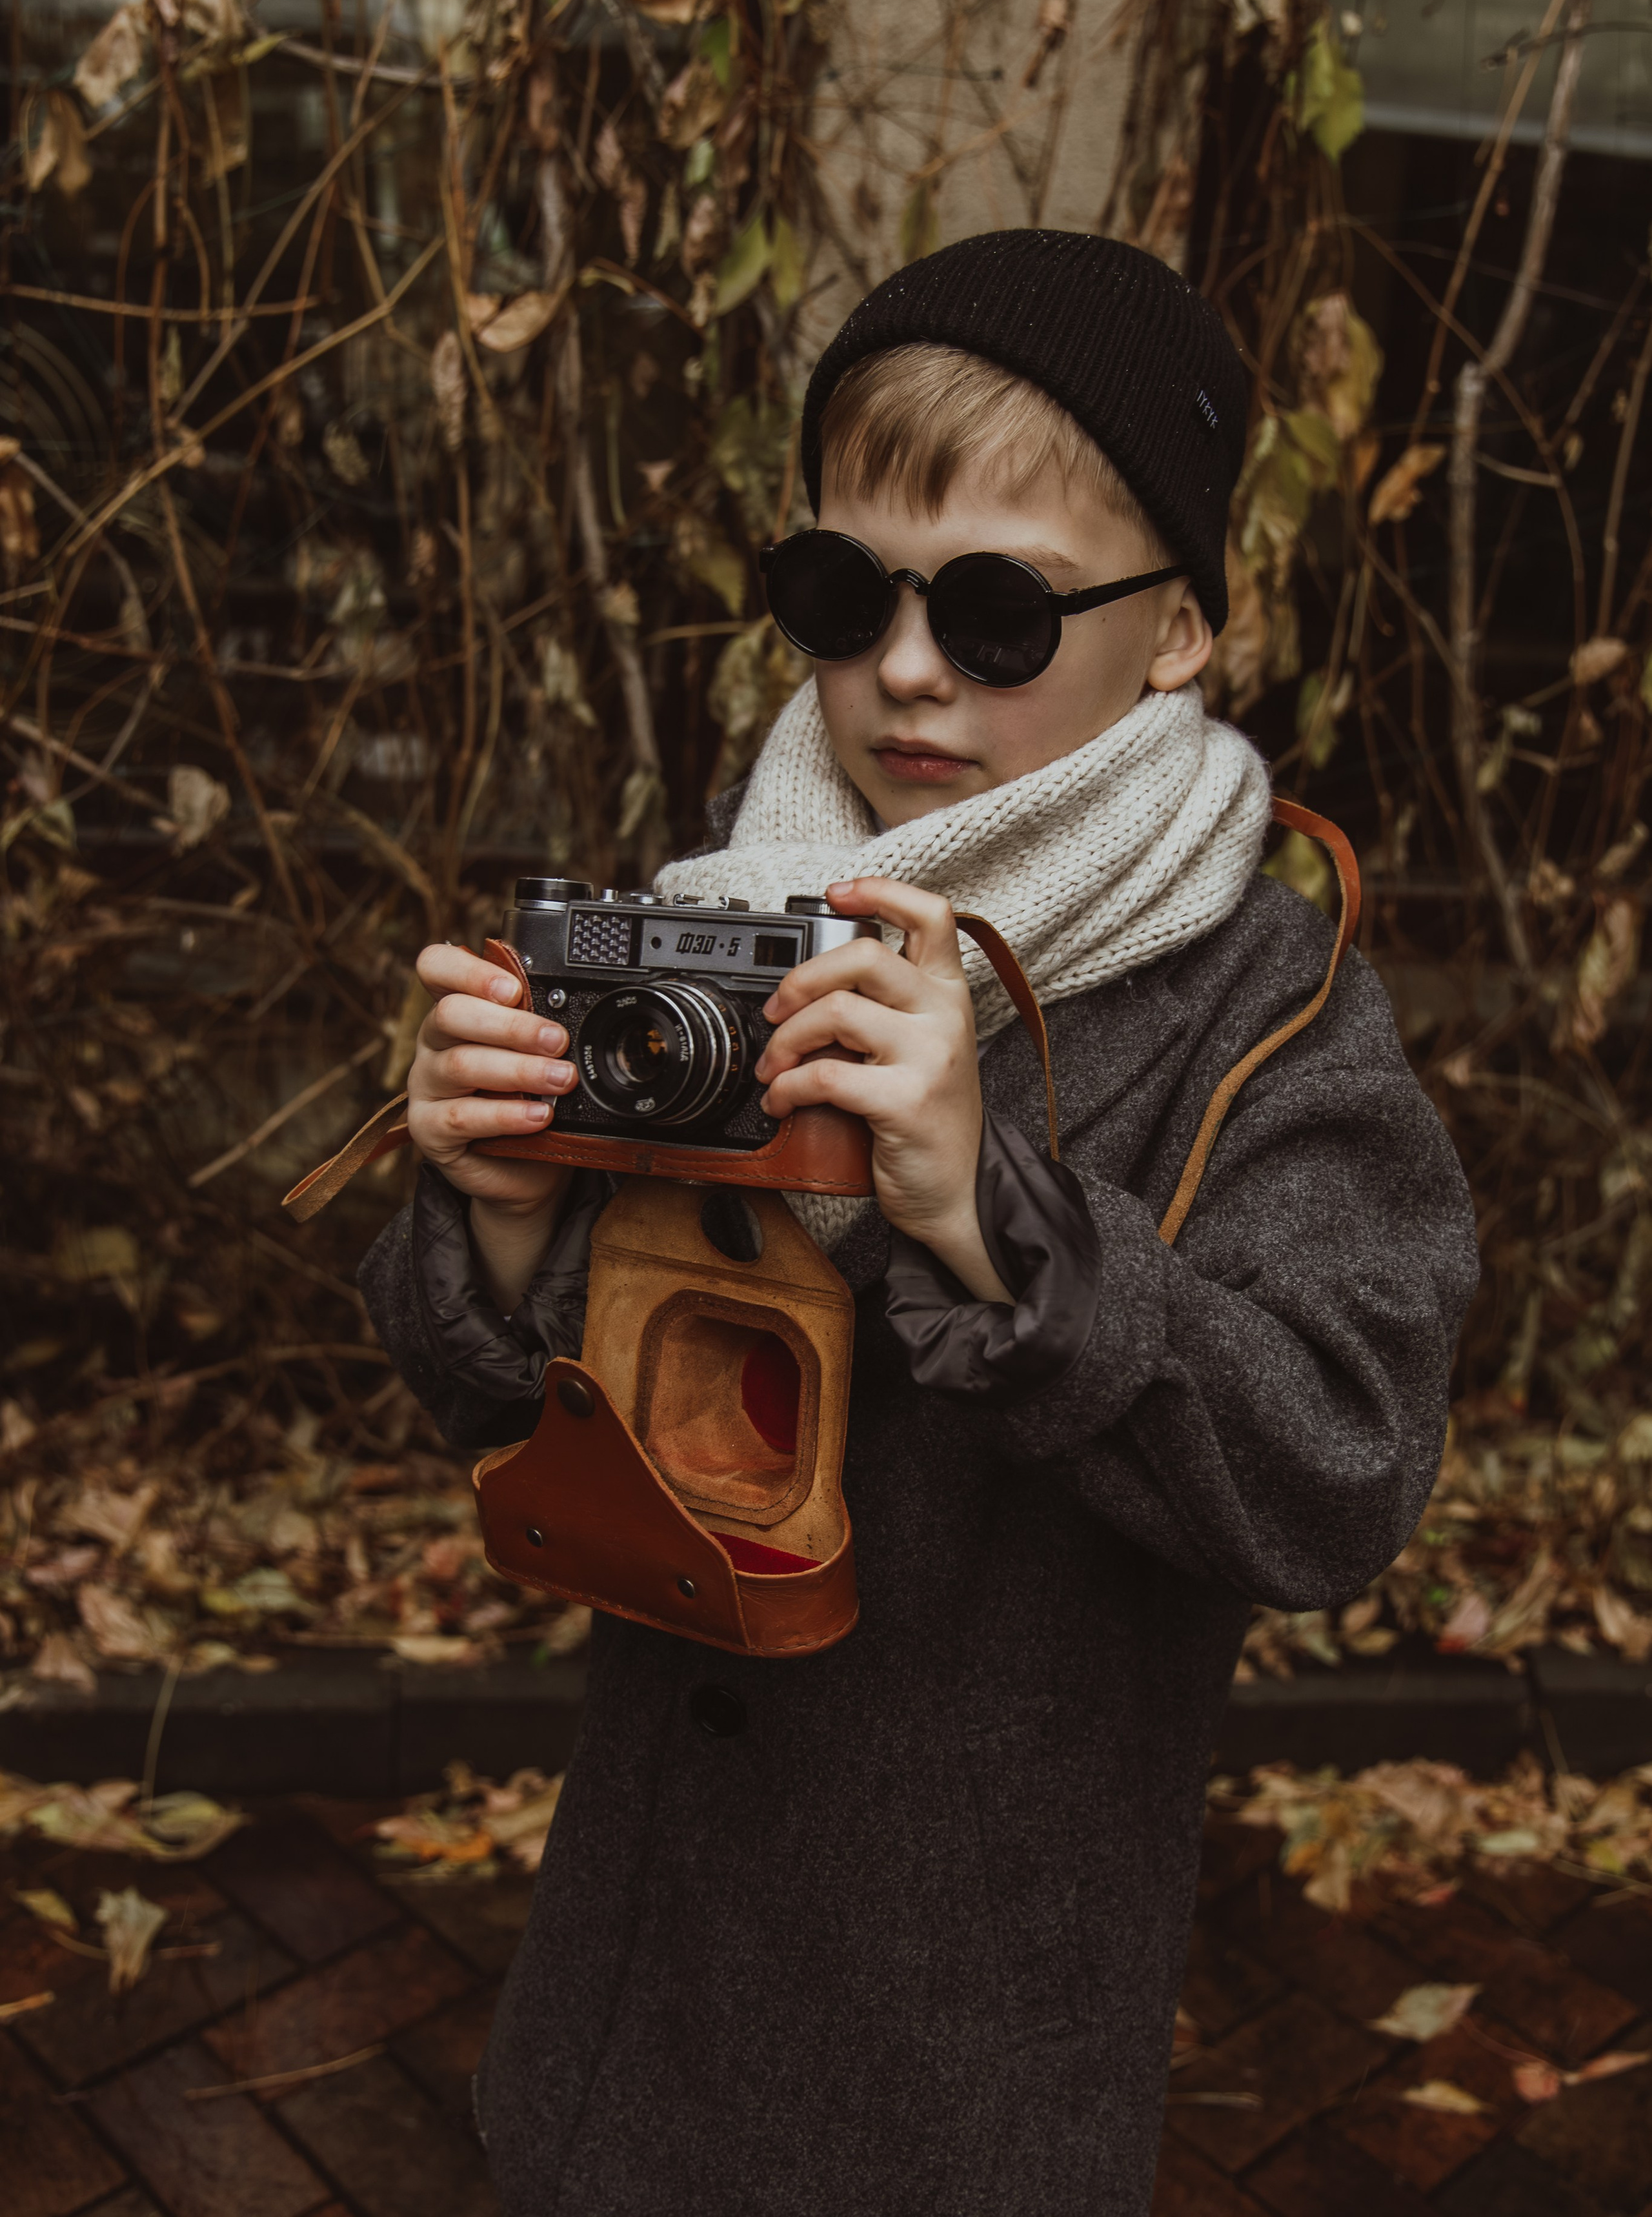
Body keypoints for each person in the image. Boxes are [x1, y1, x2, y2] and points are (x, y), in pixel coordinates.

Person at [359, 231, 1478, 2217]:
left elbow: (1342, 1468)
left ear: (1189, 629)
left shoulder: (1265, 1001)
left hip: (960, 2055)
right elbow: (514, 1405)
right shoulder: (739, 897)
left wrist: (996, 1219)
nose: (902, 668)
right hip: (633, 1988)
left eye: (997, 609)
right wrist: (510, 1214)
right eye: (838, 590)